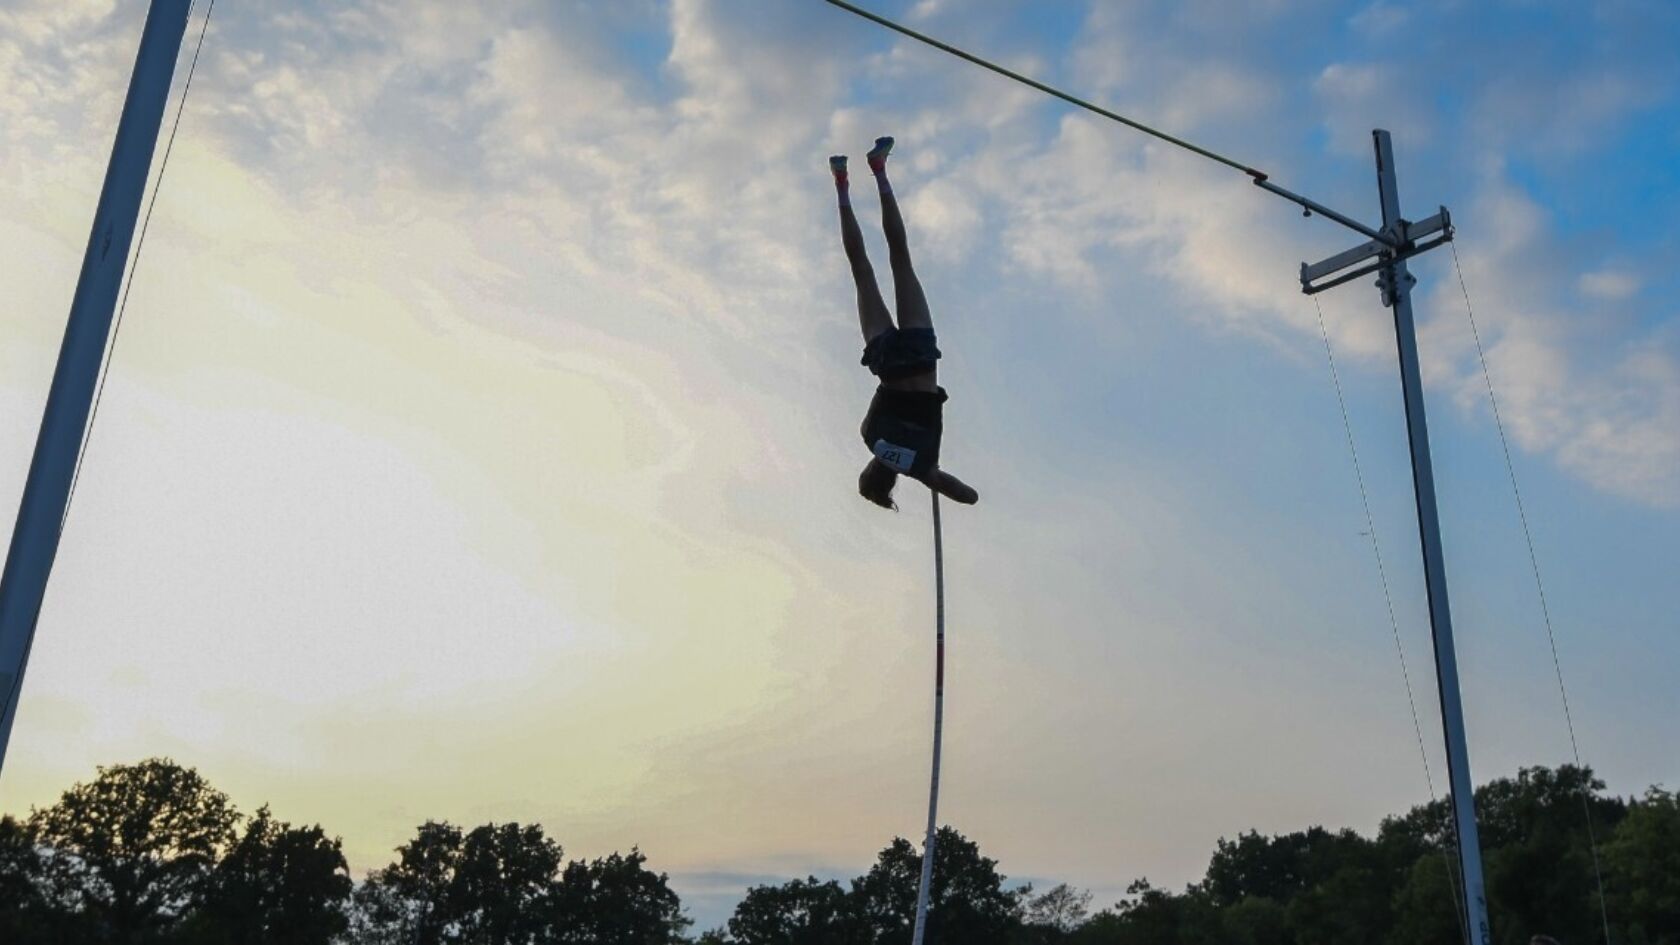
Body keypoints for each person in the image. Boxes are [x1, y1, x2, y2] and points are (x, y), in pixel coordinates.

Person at [831, 136, 979, 510]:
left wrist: (928, 471)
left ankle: (879, 171)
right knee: (863, 271)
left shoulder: (921, 467)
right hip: (888, 365)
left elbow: (969, 496)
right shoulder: (869, 437)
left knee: (901, 261)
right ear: (869, 468)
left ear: (891, 480)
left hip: (920, 360)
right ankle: (845, 182)